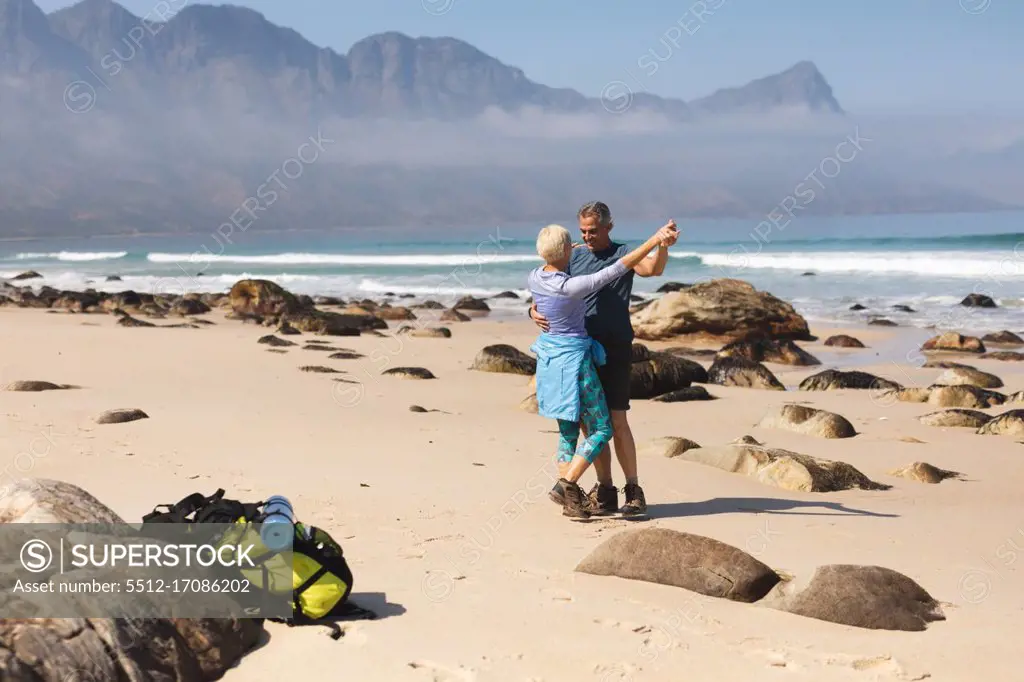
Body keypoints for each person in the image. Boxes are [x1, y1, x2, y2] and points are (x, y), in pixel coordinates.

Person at [529, 202, 678, 516]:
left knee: (617, 421)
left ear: (609, 227)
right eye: (583, 230)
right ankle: (605, 489)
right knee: (589, 425)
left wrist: (662, 246)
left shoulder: (623, 253)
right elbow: (549, 288)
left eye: (593, 231)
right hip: (581, 351)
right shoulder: (574, 254)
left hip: (615, 347)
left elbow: (655, 270)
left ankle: (633, 490)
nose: (587, 236)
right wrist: (532, 311)